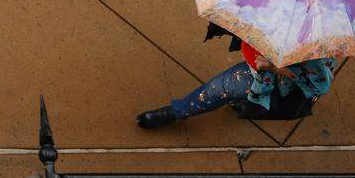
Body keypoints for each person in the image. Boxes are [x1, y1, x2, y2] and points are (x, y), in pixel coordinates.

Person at [136, 24, 336, 128]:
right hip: (255, 63)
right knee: (228, 95)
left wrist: (274, 68)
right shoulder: (268, 1)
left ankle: (178, 111)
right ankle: (237, 102)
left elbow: (320, 85)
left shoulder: (312, 46)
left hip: (263, 77)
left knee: (216, 91)